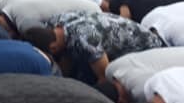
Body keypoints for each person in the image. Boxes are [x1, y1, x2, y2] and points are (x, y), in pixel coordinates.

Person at [23, 11, 164, 84]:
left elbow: (105, 77)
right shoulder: (56, 21)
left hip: (146, 48)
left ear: (53, 48)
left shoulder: (85, 40)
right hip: (114, 39)